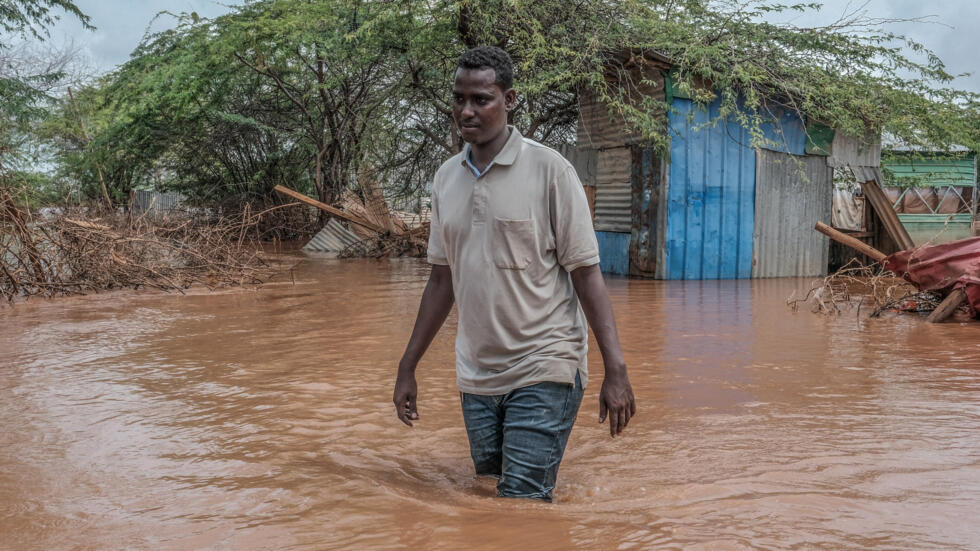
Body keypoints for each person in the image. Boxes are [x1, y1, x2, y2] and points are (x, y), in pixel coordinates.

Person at [393, 45, 636, 502]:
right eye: (459, 98)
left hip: (546, 362)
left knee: (520, 502)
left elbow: (587, 275)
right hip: (477, 373)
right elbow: (441, 281)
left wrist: (615, 371)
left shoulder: (551, 172)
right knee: (487, 494)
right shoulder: (446, 179)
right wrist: (408, 366)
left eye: (481, 99)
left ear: (510, 99)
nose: (466, 110)